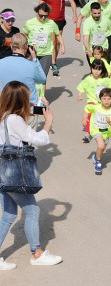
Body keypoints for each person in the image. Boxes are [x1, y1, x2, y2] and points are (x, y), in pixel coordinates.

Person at [0, 81, 62, 269]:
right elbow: (37, 140)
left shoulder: (3, 117)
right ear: (21, 100)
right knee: (32, 210)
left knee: (9, 215)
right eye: (27, 99)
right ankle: (37, 253)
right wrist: (48, 122)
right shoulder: (14, 120)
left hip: (3, 170)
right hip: (14, 172)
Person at [39, 0, 77, 75]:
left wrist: (74, 15)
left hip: (60, 20)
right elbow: (41, 6)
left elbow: (72, 2)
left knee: (57, 42)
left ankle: (53, 61)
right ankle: (51, 62)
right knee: (53, 40)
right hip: (49, 21)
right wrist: (40, 19)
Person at [0, 33, 46, 106]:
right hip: (28, 108)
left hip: (7, 107)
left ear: (11, 46)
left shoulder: (1, 62)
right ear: (27, 46)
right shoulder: (32, 65)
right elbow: (42, 79)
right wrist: (35, 59)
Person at [23, 3, 65, 80]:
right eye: (41, 15)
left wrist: (63, 46)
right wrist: (29, 43)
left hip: (46, 53)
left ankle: (41, 92)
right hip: (33, 52)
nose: (43, 18)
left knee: (42, 78)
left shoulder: (51, 23)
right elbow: (25, 34)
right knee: (31, 77)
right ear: (37, 13)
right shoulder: (29, 23)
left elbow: (58, 35)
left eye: (45, 16)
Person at [83, 87, 111, 173]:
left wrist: (110, 122)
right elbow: (87, 108)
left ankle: (96, 157)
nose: (106, 101)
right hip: (96, 130)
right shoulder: (96, 107)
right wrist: (84, 118)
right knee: (101, 146)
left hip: (106, 132)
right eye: (104, 98)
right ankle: (98, 162)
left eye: (109, 99)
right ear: (100, 99)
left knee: (103, 148)